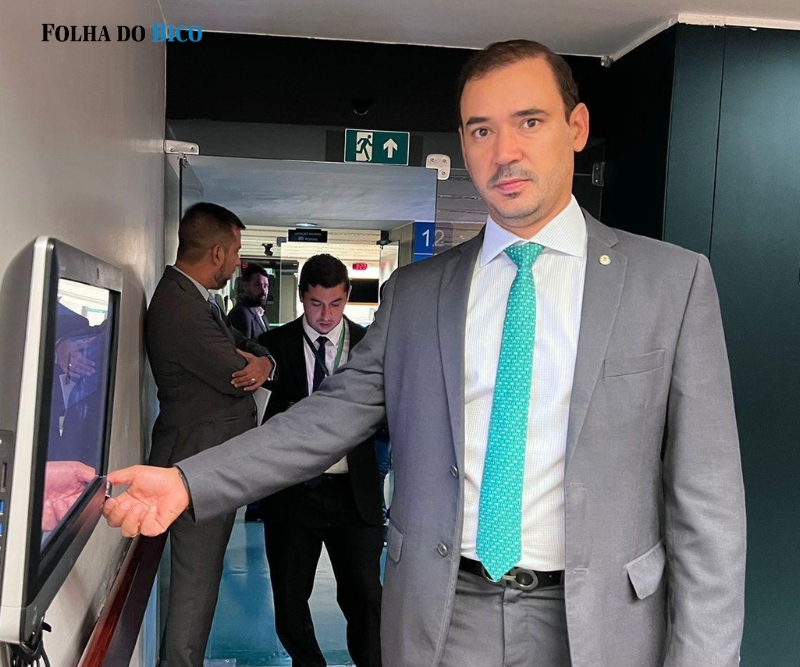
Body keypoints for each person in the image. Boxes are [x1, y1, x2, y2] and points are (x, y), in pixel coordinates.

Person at [104, 40, 746, 667]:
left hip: (602, 622)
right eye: (481, 130)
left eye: (529, 121)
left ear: (576, 127)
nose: (505, 152)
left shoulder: (672, 283)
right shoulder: (417, 294)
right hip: (444, 614)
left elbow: (708, 506)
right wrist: (188, 481)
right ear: (463, 144)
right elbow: (323, 420)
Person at [146, 202, 275, 667]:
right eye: (236, 251)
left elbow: (247, 348)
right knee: (194, 590)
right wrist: (256, 365)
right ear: (217, 252)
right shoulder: (180, 306)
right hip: (194, 462)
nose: (239, 262)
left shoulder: (198, 299)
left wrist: (265, 361)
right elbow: (234, 371)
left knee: (200, 584)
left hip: (205, 461)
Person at [257, 253, 383, 667]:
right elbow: (257, 419)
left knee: (366, 598)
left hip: (354, 493)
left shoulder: (369, 346)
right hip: (293, 493)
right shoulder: (272, 347)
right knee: (290, 602)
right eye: (316, 304)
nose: (326, 315)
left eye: (335, 303)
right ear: (301, 297)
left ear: (347, 297)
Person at [229, 262, 271, 339]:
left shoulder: (260, 313)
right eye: (258, 285)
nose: (263, 290)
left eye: (266, 286)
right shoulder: (241, 314)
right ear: (246, 286)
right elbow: (243, 345)